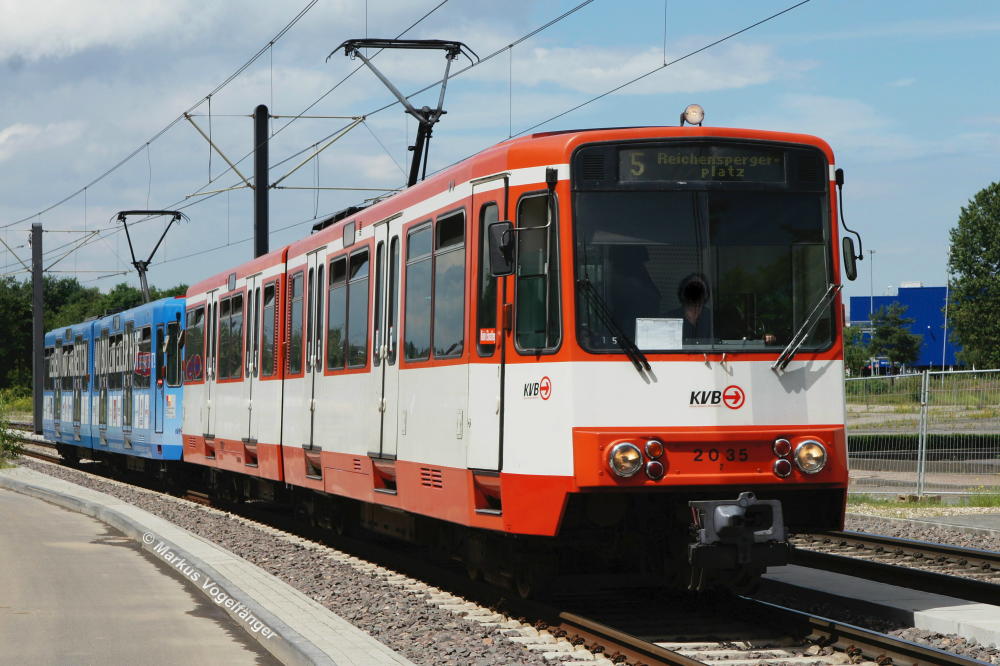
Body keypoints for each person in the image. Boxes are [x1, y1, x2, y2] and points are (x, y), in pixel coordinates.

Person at [672, 273, 712, 340]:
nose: (696, 293)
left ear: (706, 294)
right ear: (683, 293)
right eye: (692, 289)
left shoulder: (713, 318)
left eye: (700, 289)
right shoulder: (671, 319)